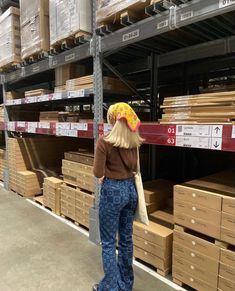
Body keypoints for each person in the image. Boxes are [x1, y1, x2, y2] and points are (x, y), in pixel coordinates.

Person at [93, 102, 144, 291]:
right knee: (126, 240)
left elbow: (98, 172)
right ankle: (125, 284)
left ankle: (110, 287)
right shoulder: (133, 142)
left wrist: (106, 172)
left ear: (113, 119)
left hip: (112, 192)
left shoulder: (104, 141)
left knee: (107, 242)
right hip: (130, 191)